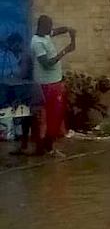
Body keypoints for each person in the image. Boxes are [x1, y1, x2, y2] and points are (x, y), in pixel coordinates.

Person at [30, 15, 75, 155]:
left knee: (55, 116)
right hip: (45, 85)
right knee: (45, 117)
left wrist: (68, 29)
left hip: (54, 82)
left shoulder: (46, 35)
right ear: (42, 27)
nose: (51, 29)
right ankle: (44, 147)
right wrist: (65, 51)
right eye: (49, 26)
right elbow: (47, 63)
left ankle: (48, 146)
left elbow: (56, 31)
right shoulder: (37, 42)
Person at [1, 32, 43, 154]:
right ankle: (24, 146)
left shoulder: (25, 56)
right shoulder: (21, 55)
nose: (11, 50)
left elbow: (23, 75)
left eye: (12, 46)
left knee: (34, 120)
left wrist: (11, 79)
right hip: (24, 92)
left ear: (18, 43)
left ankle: (39, 148)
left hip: (31, 92)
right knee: (25, 120)